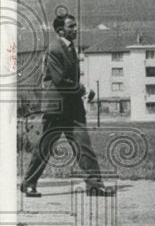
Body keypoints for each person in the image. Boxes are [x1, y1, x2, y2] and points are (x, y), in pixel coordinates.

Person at [20, 14, 115, 197]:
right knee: (46, 146)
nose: (76, 29)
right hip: (57, 107)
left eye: (75, 26)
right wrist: (84, 90)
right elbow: (61, 80)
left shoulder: (71, 48)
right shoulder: (55, 49)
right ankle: (29, 183)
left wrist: (81, 91)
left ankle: (94, 185)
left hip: (73, 107)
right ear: (61, 30)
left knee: (83, 145)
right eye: (71, 26)